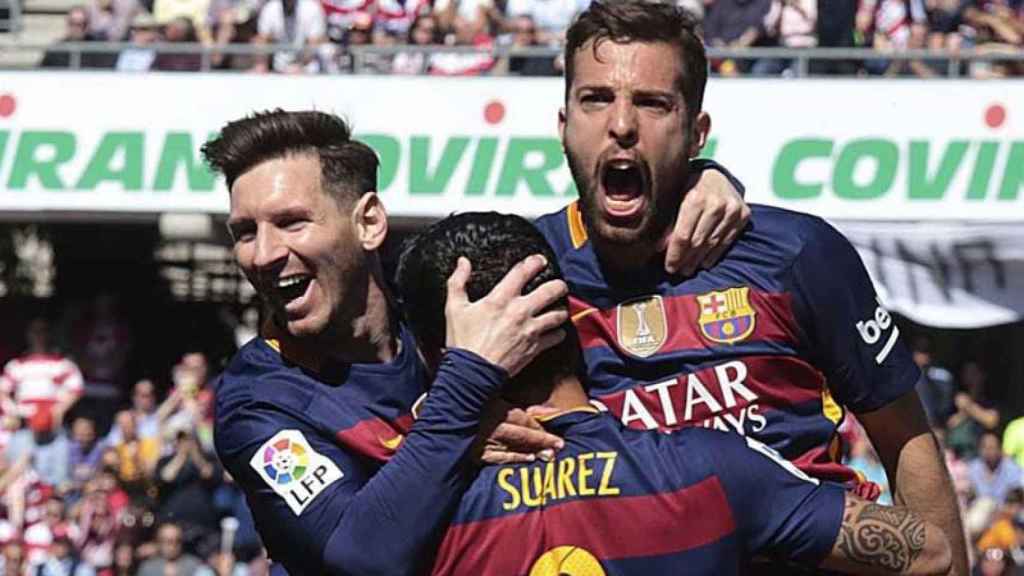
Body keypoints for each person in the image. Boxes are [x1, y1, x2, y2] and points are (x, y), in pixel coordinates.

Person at [203, 109, 748, 574]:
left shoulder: (445, 295)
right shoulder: (257, 400)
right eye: (245, 232)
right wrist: (462, 402)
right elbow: (361, 555)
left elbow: (606, 235)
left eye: (291, 223)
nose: (263, 253)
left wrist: (703, 183)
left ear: (369, 222)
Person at [531, 1, 969, 573]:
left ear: (696, 134)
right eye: (595, 99)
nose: (621, 125)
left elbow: (905, 438)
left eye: (653, 103)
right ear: (563, 125)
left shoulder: (797, 253)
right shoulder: (526, 276)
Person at [396, 210, 952, 576]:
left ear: (432, 356)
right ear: (572, 320)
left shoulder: (414, 509)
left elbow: (351, 549)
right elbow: (930, 552)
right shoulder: (712, 469)